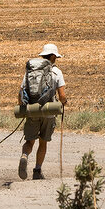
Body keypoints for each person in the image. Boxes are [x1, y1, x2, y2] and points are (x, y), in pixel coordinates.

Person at [19, 43, 68, 181]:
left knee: (29, 141)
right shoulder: (57, 72)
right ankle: (37, 170)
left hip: (32, 111)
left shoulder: (31, 72)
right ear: (53, 56)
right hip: (49, 112)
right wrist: (64, 103)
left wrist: (23, 107)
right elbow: (62, 95)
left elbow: (21, 90)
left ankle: (24, 156)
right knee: (43, 142)